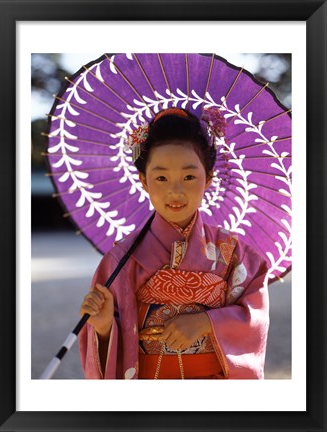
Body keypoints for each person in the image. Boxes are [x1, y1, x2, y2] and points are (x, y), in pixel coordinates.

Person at [79, 107, 269, 379]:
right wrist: (103, 326)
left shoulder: (235, 253)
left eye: (189, 177)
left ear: (209, 178)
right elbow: (106, 339)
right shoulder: (121, 258)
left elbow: (256, 318)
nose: (175, 191)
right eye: (161, 178)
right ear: (144, 181)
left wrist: (206, 323)